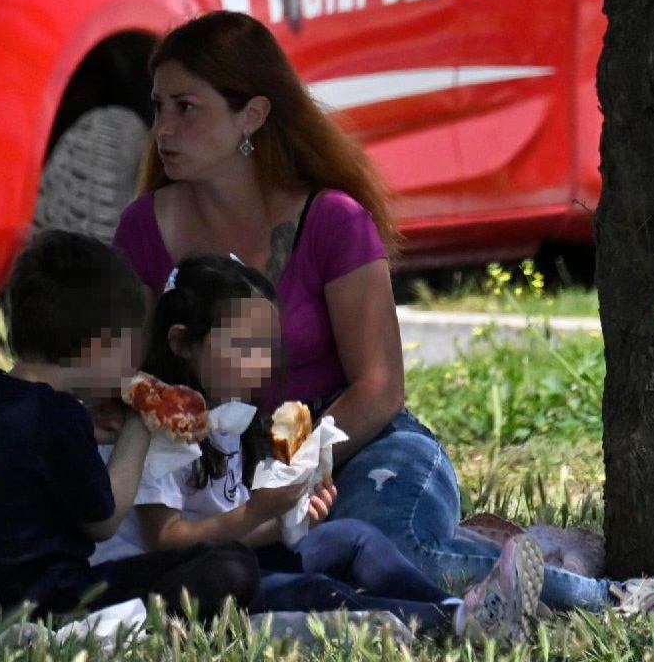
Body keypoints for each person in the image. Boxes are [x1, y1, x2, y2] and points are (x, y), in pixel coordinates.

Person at [112, 11, 654, 616]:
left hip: (360, 444)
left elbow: (379, 388)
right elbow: (138, 374)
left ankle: (633, 603)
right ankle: (522, 555)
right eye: (158, 106)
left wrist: (290, 462)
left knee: (399, 554)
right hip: (231, 478)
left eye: (185, 108)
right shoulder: (145, 228)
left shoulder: (332, 219)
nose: (163, 128)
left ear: (252, 113)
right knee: (309, 580)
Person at [99, 253, 542, 642]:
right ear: (182, 344)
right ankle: (457, 622)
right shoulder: (162, 425)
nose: (262, 364)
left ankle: (456, 608)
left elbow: (229, 523)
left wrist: (290, 517)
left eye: (266, 349)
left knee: (354, 537)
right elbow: (167, 540)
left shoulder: (229, 417)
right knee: (313, 594)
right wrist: (259, 513)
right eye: (243, 347)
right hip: (182, 585)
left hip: (232, 555)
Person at [0, 230, 259, 619]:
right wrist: (140, 425)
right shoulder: (55, 415)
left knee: (221, 557)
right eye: (129, 350)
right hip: (42, 607)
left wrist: (90, 429)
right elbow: (104, 519)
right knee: (233, 568)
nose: (134, 367)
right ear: (99, 347)